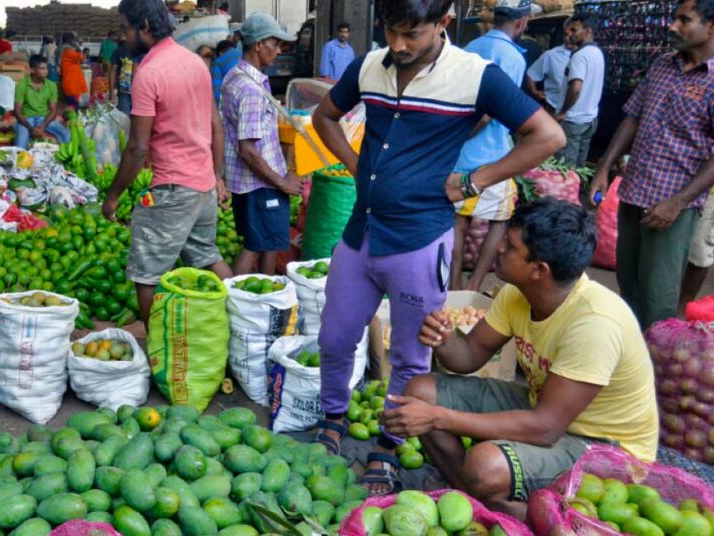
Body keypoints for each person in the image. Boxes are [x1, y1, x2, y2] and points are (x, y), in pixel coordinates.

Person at [310, 0, 564, 496]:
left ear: (444, 23)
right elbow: (325, 117)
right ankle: (334, 418)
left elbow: (548, 135)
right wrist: (356, 165)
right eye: (391, 31)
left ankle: (387, 443)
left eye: (413, 33)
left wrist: (476, 179)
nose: (399, 45)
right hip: (360, 233)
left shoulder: (475, 76)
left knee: (410, 355)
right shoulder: (368, 66)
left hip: (419, 241)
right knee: (335, 338)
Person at [387, 199, 658, 519]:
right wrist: (444, 341)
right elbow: (469, 356)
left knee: (485, 465)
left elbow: (545, 428)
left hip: (605, 448)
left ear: (539, 269)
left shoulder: (595, 324)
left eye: (511, 245)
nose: (498, 247)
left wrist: (437, 417)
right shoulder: (517, 294)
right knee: (419, 390)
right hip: (543, 407)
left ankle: (511, 508)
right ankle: (480, 504)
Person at [103, 0, 233, 324]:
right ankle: (245, 321)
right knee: (208, 257)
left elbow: (137, 148)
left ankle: (156, 354)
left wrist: (113, 194)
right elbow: (215, 126)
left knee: (146, 274)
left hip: (172, 189)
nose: (123, 37)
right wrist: (216, 177)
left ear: (144, 26)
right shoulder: (195, 63)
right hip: (202, 186)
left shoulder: (148, 73)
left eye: (125, 28)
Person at [590, 0, 714, 330]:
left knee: (657, 297)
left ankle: (654, 370)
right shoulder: (662, 65)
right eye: (674, 18)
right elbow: (633, 118)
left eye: (684, 20)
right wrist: (604, 168)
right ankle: (627, 360)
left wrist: (679, 202)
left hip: (672, 205)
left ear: (711, 28)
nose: (672, 26)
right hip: (634, 193)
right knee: (627, 284)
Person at [451, 0, 532, 292]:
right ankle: (472, 288)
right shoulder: (512, 57)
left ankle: (453, 285)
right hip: (492, 155)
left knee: (458, 222)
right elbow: (491, 112)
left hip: (459, 154)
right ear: (522, 22)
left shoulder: (470, 48)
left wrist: (457, 137)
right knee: (498, 220)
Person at [221, 13, 303, 276]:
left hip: (250, 184)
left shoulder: (235, 76)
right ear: (257, 45)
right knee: (255, 246)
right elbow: (248, 150)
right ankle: (238, 302)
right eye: (275, 44)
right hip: (261, 185)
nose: (279, 51)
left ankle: (265, 298)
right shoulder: (251, 90)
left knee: (267, 244)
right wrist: (282, 182)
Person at [554, 14, 604, 167]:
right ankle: (579, 190)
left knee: (565, 167)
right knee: (579, 166)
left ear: (587, 31)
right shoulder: (597, 53)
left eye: (575, 30)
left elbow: (575, 88)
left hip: (573, 121)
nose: (570, 34)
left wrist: (562, 112)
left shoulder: (580, 56)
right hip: (589, 120)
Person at [14, 55, 70, 146]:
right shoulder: (22, 85)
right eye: (42, 69)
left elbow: (53, 110)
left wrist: (42, 127)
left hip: (43, 119)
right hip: (26, 120)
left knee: (66, 134)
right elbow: (17, 111)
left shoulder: (51, 85)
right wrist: (31, 128)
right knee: (21, 143)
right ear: (32, 70)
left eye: (46, 68)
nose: (46, 72)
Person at [525, 19, 576, 114]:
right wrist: (534, 91)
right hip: (554, 107)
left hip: (578, 114)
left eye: (572, 35)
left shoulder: (587, 54)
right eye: (565, 35)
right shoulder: (551, 55)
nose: (568, 38)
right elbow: (531, 74)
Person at [60, 33, 88, 109]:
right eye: (76, 40)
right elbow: (81, 58)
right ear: (71, 41)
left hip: (73, 83)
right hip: (72, 85)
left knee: (74, 107)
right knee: (73, 109)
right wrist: (79, 47)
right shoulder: (68, 51)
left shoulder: (67, 50)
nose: (78, 42)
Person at [109, 37, 135, 114]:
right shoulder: (119, 51)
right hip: (124, 92)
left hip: (139, 92)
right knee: (124, 118)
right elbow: (113, 71)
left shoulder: (142, 51)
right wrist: (111, 92)